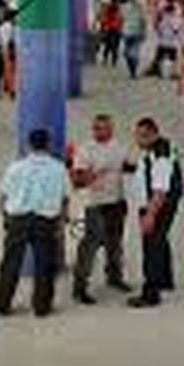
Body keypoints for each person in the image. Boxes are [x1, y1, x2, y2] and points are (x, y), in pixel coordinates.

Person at [0, 129, 67, 317]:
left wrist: (6, 219)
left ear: (29, 145)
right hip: (46, 221)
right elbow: (64, 199)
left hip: (18, 220)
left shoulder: (15, 167)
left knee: (10, 262)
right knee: (45, 264)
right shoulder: (58, 168)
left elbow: (3, 197)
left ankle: (3, 302)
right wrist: (60, 223)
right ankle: (42, 306)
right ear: (48, 144)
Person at [71, 114, 133, 304]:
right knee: (90, 246)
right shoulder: (85, 150)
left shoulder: (119, 148)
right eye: (97, 128)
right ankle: (80, 286)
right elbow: (77, 181)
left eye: (105, 128)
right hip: (94, 204)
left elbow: (129, 168)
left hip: (117, 202)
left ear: (111, 129)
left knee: (115, 243)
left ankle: (114, 277)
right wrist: (94, 175)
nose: (100, 131)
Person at [126, 118, 184, 308]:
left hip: (157, 205)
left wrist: (150, 215)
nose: (138, 140)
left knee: (151, 246)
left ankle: (150, 293)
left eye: (142, 136)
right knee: (160, 240)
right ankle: (165, 280)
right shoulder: (158, 149)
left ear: (154, 134)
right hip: (162, 203)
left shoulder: (160, 156)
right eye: (137, 135)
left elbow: (160, 190)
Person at [147, 0, 181, 78]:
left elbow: (176, 25)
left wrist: (157, 27)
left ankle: (171, 72)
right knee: (165, 54)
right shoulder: (165, 9)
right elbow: (158, 20)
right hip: (167, 36)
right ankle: (167, 71)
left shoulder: (173, 10)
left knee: (166, 55)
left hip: (168, 36)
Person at [120, 0, 146, 79]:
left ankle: (133, 72)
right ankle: (132, 70)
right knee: (127, 54)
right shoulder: (125, 8)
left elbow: (143, 21)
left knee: (133, 54)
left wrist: (143, 32)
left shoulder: (140, 8)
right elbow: (121, 19)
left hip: (135, 33)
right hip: (127, 32)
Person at [97, 0, 124, 67]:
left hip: (116, 30)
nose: (115, 3)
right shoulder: (108, 8)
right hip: (110, 30)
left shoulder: (119, 9)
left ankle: (113, 60)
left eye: (116, 2)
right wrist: (103, 27)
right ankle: (108, 59)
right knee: (110, 46)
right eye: (114, 2)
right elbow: (103, 18)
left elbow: (122, 19)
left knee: (113, 46)